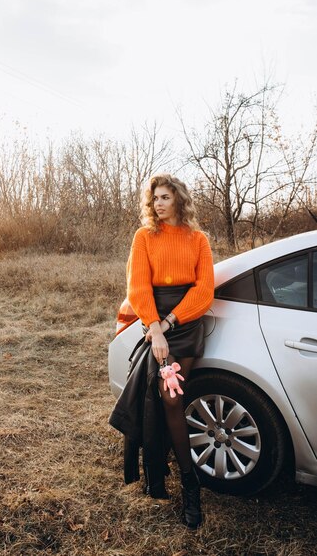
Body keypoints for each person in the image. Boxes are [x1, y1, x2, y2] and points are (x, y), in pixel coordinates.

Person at [112, 174, 214, 529]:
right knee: (168, 398)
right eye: (154, 198)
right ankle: (188, 477)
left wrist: (170, 324)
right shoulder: (144, 237)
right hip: (155, 319)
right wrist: (155, 329)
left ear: (179, 200)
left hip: (185, 323)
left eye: (165, 197)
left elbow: (204, 292)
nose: (158, 203)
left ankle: (188, 481)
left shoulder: (198, 239)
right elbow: (138, 287)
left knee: (172, 397)